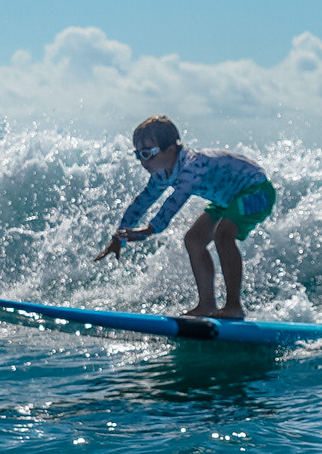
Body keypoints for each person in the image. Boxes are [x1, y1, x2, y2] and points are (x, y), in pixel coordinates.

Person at [93, 115, 278, 319]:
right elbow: (142, 202)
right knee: (194, 239)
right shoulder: (163, 173)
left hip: (257, 192)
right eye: (138, 154)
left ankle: (234, 306)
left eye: (147, 153)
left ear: (170, 150)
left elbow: (175, 201)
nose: (142, 161)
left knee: (223, 235)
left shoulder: (191, 167)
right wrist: (117, 238)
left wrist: (150, 229)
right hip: (227, 200)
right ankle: (207, 305)